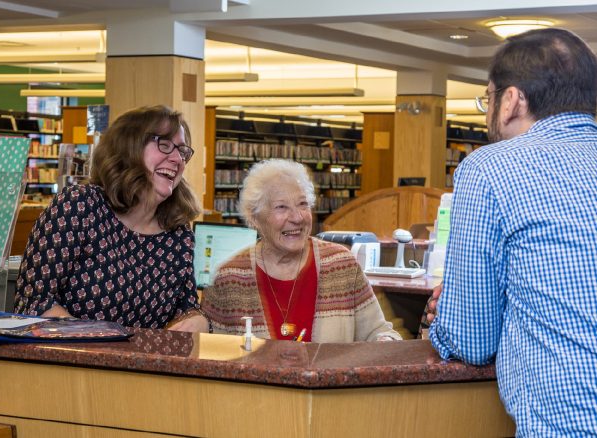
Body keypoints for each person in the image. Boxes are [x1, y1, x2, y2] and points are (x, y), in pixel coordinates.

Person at [428, 28, 597, 436]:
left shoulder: (490, 168)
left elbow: (473, 341)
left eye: (488, 97)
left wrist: (445, 318)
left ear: (511, 100)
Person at [14, 105, 209, 332]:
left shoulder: (178, 231)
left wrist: (198, 321)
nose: (177, 159)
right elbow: (32, 303)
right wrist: (101, 340)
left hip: (142, 365)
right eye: (165, 145)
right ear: (129, 149)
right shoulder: (79, 206)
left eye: (183, 152)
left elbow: (186, 307)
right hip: (70, 362)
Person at [201, 158, 401, 342]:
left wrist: (386, 342)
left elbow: (379, 332)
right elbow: (212, 352)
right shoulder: (229, 278)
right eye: (281, 207)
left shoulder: (341, 264)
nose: (297, 217)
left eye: (302, 204)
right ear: (254, 218)